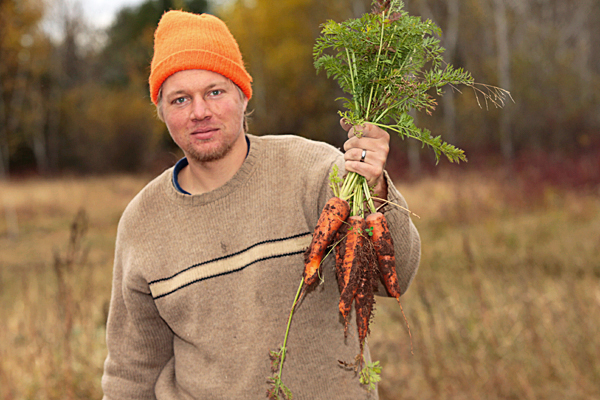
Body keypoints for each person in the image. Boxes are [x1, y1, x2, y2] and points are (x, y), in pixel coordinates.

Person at [101, 10, 420, 400]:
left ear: (242, 94)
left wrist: (376, 186)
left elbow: (397, 275)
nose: (199, 111)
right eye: (180, 99)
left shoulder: (317, 172)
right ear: (162, 112)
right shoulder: (142, 222)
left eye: (214, 92)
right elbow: (131, 371)